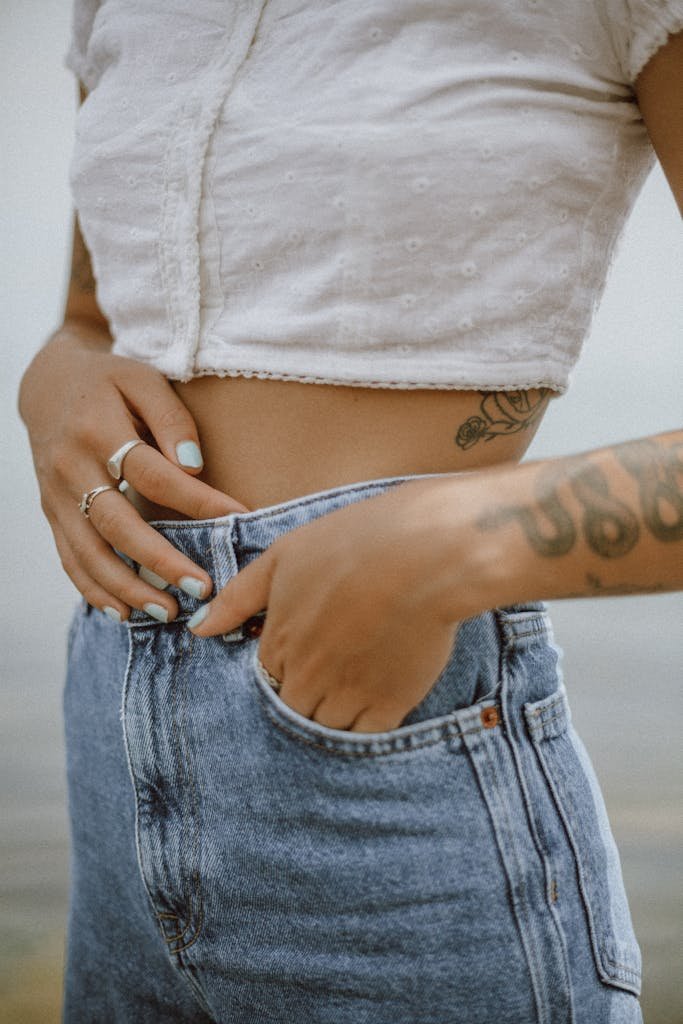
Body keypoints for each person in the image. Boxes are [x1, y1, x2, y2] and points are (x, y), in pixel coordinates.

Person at [18, 1, 682, 1020]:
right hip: (113, 731)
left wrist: (448, 547)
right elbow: (95, 317)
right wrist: (54, 378)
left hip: (390, 783)